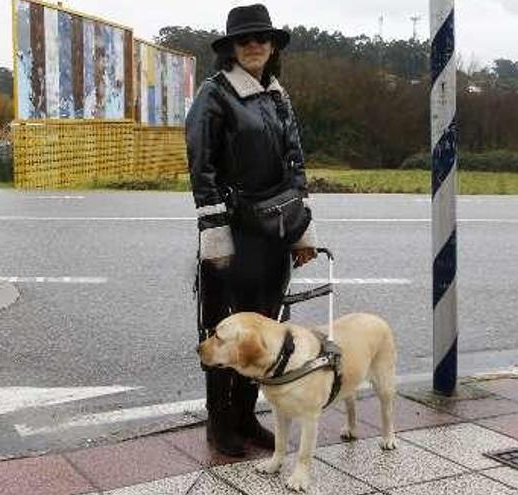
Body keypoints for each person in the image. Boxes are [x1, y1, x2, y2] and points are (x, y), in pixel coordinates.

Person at [186, 4, 319, 457]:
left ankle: (246, 417)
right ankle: (220, 424)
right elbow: (201, 170)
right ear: (231, 50)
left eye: (263, 38)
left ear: (274, 46)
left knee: (263, 332)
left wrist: (301, 231)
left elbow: (296, 166)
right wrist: (215, 237)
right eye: (245, 40)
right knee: (221, 331)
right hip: (235, 234)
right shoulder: (214, 95)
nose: (255, 45)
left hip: (275, 235)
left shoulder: (278, 96)